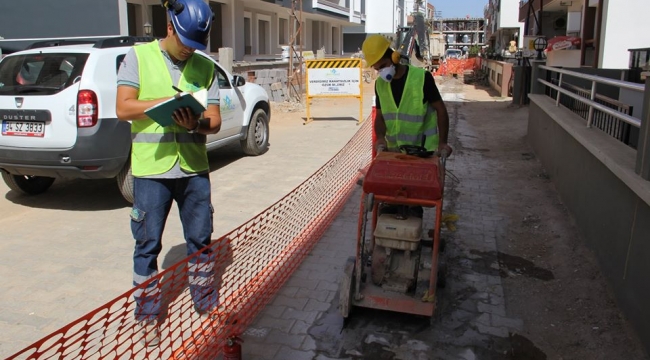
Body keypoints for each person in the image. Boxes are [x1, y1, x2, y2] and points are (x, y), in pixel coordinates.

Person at [115, 0, 221, 346]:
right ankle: (146, 315)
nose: (190, 51)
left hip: (193, 170)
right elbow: (123, 107)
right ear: (171, 26)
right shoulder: (139, 57)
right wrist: (161, 104)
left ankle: (205, 305)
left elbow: (215, 122)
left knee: (201, 242)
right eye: (186, 43)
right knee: (146, 246)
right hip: (151, 172)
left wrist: (197, 123)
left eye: (196, 45)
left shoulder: (204, 67)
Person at [361, 34, 452, 156]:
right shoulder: (380, 85)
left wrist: (442, 143)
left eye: (383, 66)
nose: (382, 72)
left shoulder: (422, 78)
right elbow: (380, 116)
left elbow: (441, 110)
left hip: (423, 153)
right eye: (378, 69)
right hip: (395, 153)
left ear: (394, 57)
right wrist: (381, 137)